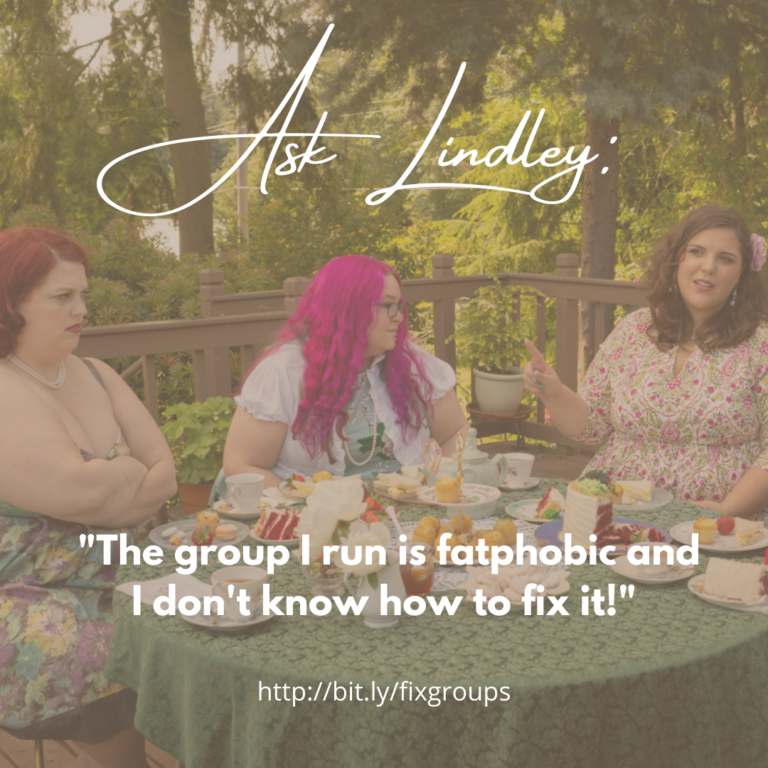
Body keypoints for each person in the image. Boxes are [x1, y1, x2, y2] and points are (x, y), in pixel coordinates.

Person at [0, 229, 177, 767]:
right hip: (31, 593)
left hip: (129, 571)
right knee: (111, 654)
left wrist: (109, 484)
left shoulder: (97, 374)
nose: (80, 310)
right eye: (62, 297)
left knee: (223, 618)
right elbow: (83, 493)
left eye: (83, 296)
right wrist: (126, 470)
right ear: (11, 305)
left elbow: (166, 475)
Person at [523, 205, 768, 518]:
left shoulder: (761, 343)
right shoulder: (633, 330)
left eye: (725, 258)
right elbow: (592, 427)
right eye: (697, 251)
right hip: (612, 516)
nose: (708, 267)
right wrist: (553, 393)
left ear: (742, 274)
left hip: (717, 527)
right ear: (677, 259)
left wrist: (723, 510)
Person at [220, 255, 468, 488]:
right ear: (351, 310)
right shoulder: (283, 371)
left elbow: (455, 434)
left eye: (399, 306)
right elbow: (241, 466)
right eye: (389, 306)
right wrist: (308, 504)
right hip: (312, 519)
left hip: (410, 508)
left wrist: (439, 485)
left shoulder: (413, 362)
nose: (399, 317)